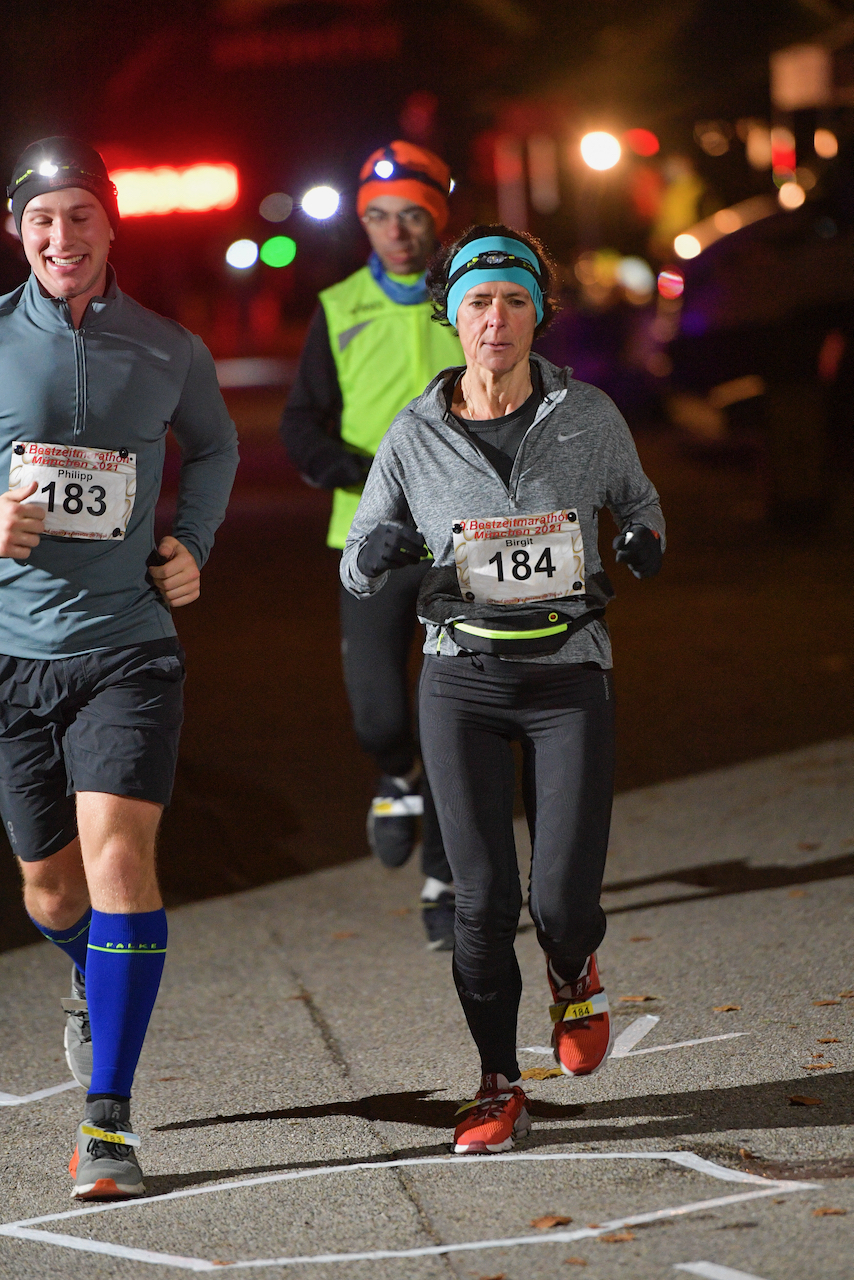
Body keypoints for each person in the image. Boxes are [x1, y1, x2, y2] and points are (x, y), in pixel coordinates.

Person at [341, 225, 664, 1153]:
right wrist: (383, 553)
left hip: (569, 678)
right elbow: (359, 563)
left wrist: (644, 546)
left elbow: (640, 506)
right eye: (479, 302)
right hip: (463, 683)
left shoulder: (589, 413)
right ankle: (495, 1082)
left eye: (515, 301)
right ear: (450, 314)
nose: (497, 320)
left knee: (560, 899)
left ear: (539, 314)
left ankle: (574, 969)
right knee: (478, 902)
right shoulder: (414, 431)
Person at [1, 136, 238, 1197]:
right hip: (13, 652)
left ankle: (108, 1120)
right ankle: (94, 978)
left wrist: (194, 542)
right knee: (51, 893)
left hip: (129, 646)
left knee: (119, 867)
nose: (62, 236)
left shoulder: (167, 346)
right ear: (19, 230)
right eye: (42, 218)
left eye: (80, 216)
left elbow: (218, 447)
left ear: (110, 227)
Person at [280, 141, 463, 950]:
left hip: (469, 539)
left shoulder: (474, 299)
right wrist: (358, 473)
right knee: (381, 713)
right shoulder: (340, 306)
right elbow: (299, 424)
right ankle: (397, 776)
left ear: (439, 219)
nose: (396, 232)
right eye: (379, 217)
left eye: (413, 214)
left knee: (462, 714)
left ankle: (450, 878)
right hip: (373, 540)